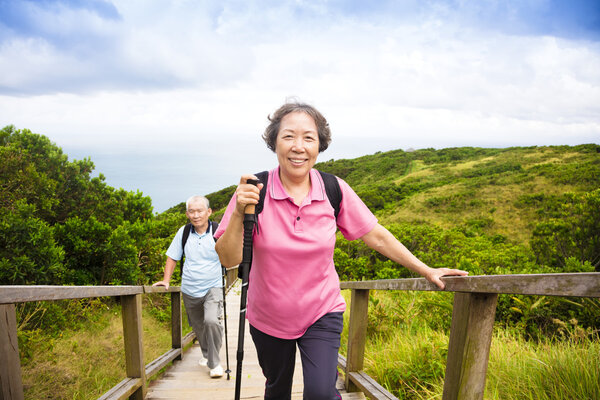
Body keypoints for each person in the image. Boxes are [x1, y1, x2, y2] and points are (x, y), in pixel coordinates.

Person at [214, 101, 469, 399]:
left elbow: (377, 236)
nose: (299, 146)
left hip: (321, 310)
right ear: (274, 142)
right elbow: (229, 258)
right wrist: (237, 213)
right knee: (277, 389)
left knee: (322, 393)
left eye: (309, 137)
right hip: (268, 315)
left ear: (320, 145)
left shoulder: (334, 190)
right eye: (288, 136)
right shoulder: (254, 190)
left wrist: (425, 269)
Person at [153, 195, 224, 378]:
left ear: (209, 212)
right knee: (199, 327)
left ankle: (214, 364)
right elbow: (172, 257)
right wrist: (166, 280)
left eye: (200, 210)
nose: (195, 215)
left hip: (213, 286)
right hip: (190, 289)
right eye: (191, 211)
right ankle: (208, 355)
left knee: (211, 321)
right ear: (187, 214)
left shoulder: (218, 232)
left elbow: (230, 253)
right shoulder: (183, 233)